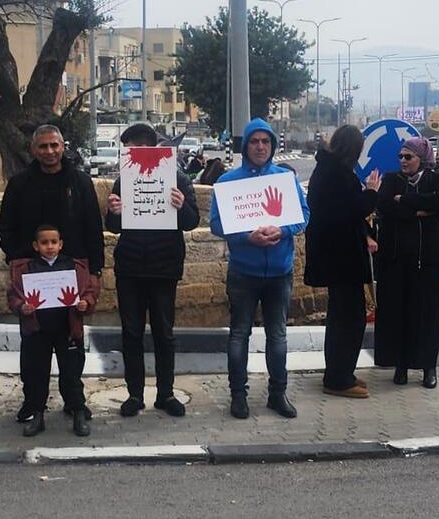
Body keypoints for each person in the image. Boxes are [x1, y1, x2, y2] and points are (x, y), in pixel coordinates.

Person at [210, 118, 309, 419]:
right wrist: (246, 237)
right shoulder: (228, 182)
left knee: (277, 335)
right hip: (243, 271)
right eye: (255, 141)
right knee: (239, 334)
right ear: (245, 146)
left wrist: (283, 230)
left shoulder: (285, 178)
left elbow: (304, 215)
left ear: (273, 146)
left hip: (279, 271)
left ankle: (277, 394)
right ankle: (238, 395)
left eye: (266, 141)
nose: (260, 147)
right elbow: (216, 223)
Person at [104, 122, 200, 418]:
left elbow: (191, 221)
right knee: (131, 333)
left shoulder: (178, 178)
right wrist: (113, 211)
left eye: (139, 146)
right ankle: (134, 394)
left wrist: (181, 205)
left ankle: (166, 393)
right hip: (131, 267)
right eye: (131, 147)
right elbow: (113, 227)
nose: (135, 151)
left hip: (164, 267)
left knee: (164, 333)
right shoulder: (125, 179)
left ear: (151, 146)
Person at [304, 125, 380, 398]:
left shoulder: (328, 170)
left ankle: (341, 371)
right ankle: (338, 378)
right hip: (341, 258)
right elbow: (353, 210)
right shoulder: (337, 174)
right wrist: (371, 192)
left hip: (336, 257)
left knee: (344, 317)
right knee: (349, 319)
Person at [8, 224, 98, 437]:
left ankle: (78, 413)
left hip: (67, 328)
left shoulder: (74, 267)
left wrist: (85, 303)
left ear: (61, 244)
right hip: (38, 329)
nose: (49, 247)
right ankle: (38, 415)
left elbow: (89, 291)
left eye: (53, 242)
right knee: (36, 374)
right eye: (44, 243)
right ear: (35, 246)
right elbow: (13, 295)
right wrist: (22, 307)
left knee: (72, 374)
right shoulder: (26, 268)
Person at [373, 136, 439, 388]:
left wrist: (403, 200)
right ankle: (401, 365)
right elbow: (383, 205)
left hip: (428, 260)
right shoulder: (392, 180)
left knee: (427, 314)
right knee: (399, 313)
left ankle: (429, 367)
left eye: (409, 157)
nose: (403, 161)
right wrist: (415, 209)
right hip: (397, 260)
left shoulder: (436, 179)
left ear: (421, 158)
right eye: (401, 157)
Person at [0, 125, 105, 276]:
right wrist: (16, 257)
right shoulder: (18, 184)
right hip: (30, 268)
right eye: (43, 146)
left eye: (54, 145)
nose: (49, 151)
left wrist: (95, 269)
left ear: (62, 147)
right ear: (34, 149)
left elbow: (93, 228)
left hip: (75, 266)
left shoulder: (81, 182)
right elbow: (7, 226)